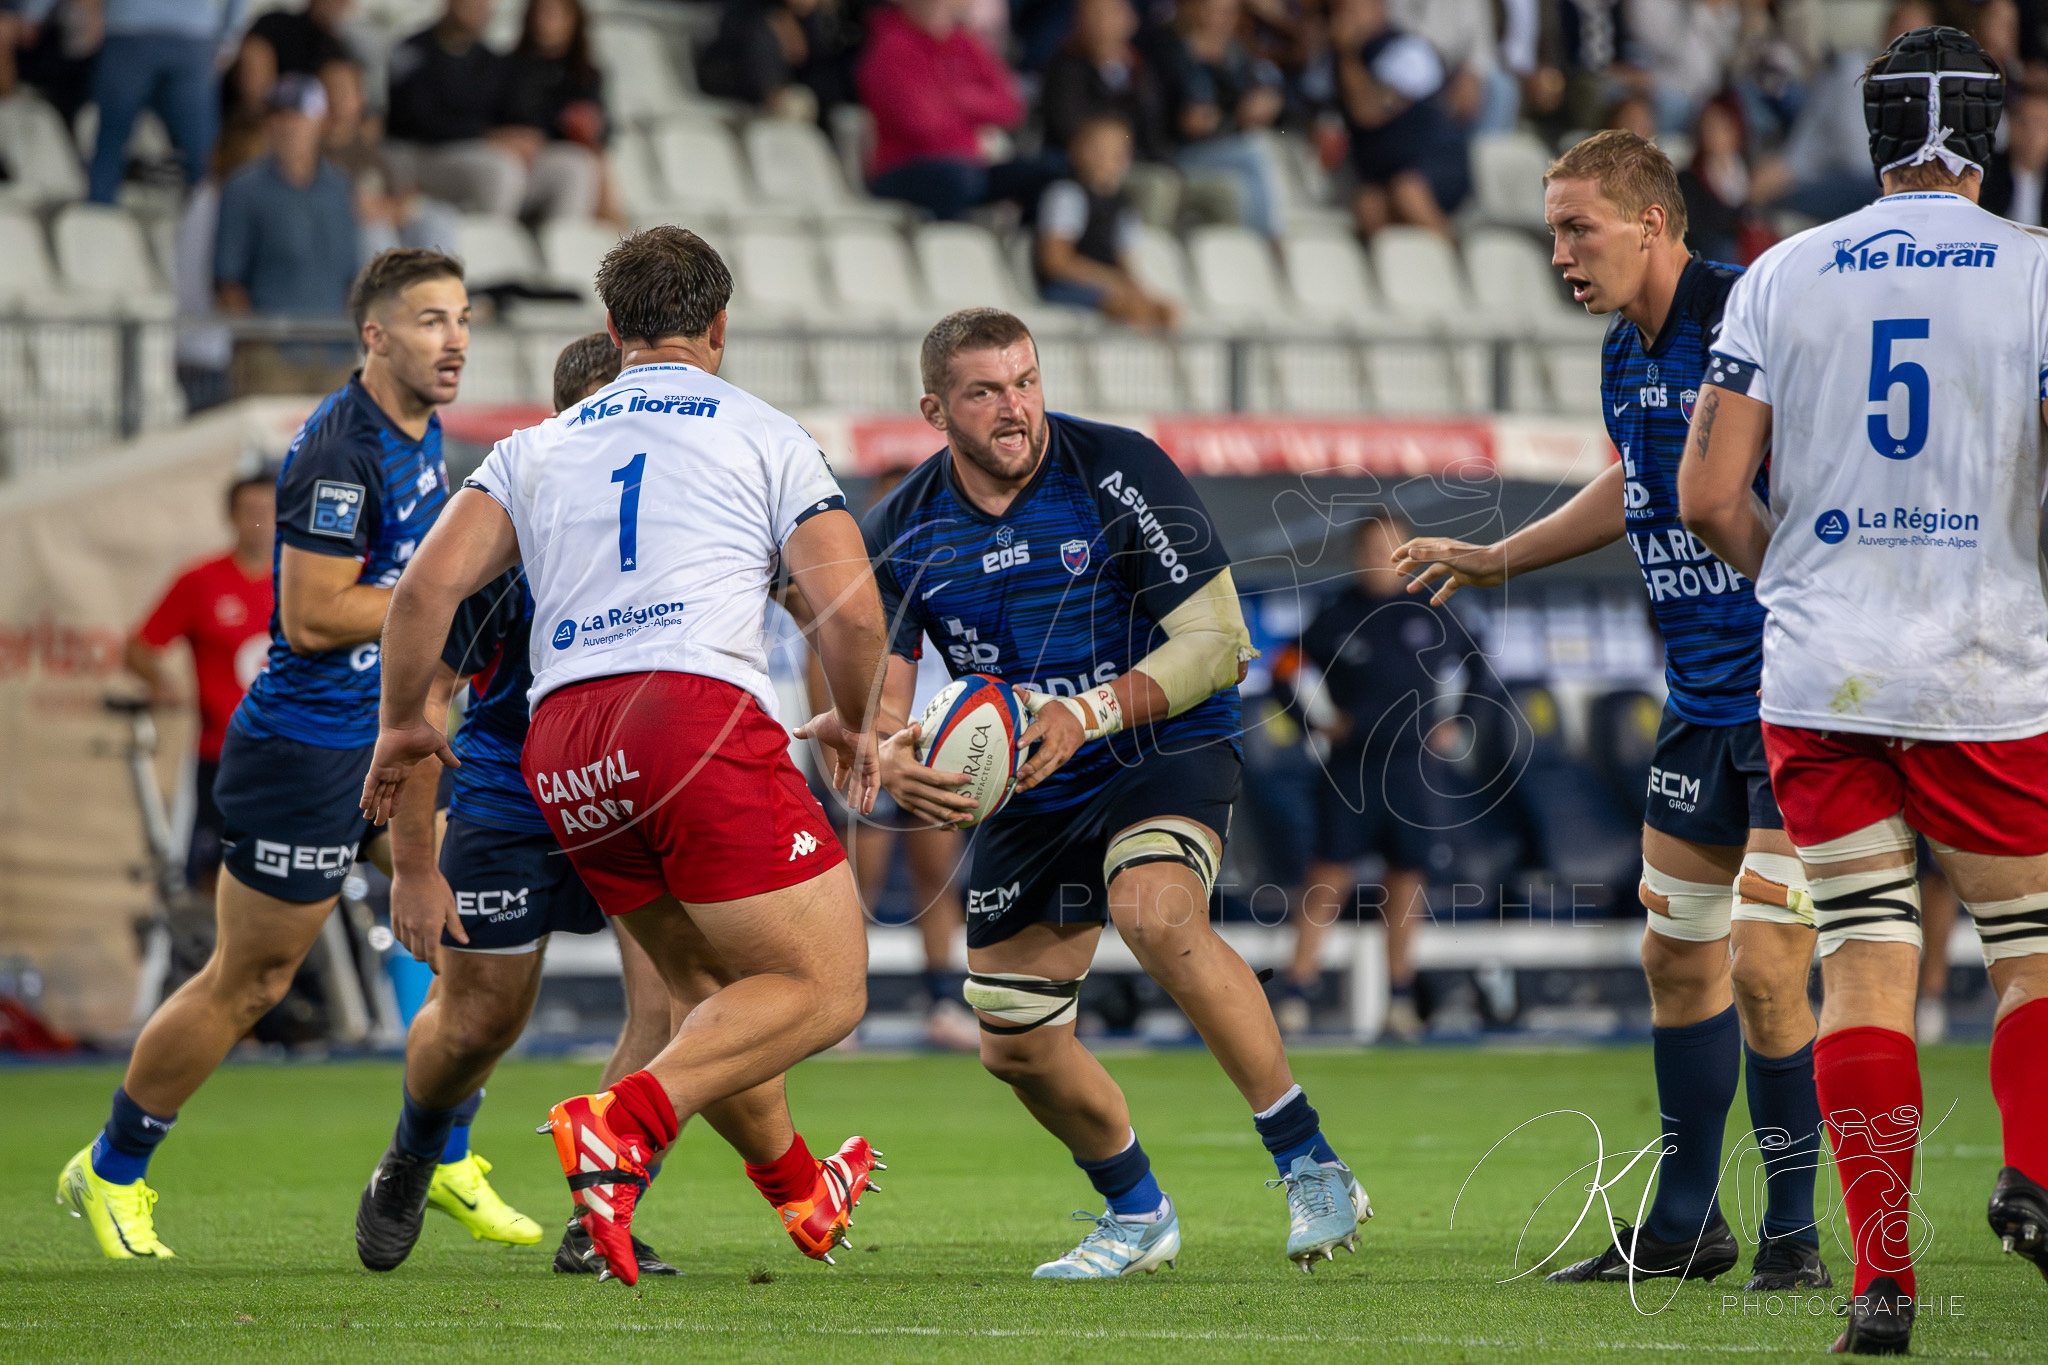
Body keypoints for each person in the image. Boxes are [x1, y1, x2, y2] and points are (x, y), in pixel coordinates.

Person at [359, 226, 886, 1286]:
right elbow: (850, 612)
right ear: (720, 329)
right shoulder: (764, 432)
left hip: (562, 744)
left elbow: (420, 590)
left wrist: (401, 724)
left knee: (703, 994)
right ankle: (620, 1123)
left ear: (612, 328)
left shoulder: (535, 445)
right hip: (687, 717)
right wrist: (857, 716)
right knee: (825, 991)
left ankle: (797, 1192)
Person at [1396, 129, 1830, 1294]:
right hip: (1696, 704)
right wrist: (1504, 556)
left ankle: (1791, 1231)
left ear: (1650, 221)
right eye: (1550, 230)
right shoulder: (1619, 351)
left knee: (1765, 965)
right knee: (1674, 958)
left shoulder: (1751, 317)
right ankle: (1686, 1225)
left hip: (1794, 700)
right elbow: (1635, 476)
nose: (1558, 251)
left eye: (1576, 226)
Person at [1678, 26, 2048, 1352]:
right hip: (1985, 669)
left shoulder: (1780, 274)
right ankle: (2035, 1172)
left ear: (1877, 136)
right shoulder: (2036, 278)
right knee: (2031, 951)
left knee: (1865, 967)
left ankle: (1882, 1282)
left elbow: (1708, 495)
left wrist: (1813, 579)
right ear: (1993, 136)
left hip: (1819, 671)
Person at [864, 307, 1366, 1276]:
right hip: (1027, 786)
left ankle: (1307, 1162)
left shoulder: (1116, 467)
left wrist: (1087, 713)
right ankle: (1135, 1214)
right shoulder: (900, 526)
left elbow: (1218, 644)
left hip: (1152, 743)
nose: (1014, 408)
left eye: (1024, 380)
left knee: (1153, 908)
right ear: (934, 408)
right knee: (1012, 1041)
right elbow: (881, 701)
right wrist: (888, 755)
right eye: (984, 391)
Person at [57, 249, 470, 1261]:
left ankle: (441, 1156)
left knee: (465, 926)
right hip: (306, 747)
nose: (454, 338)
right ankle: (111, 1168)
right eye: (428, 320)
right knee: (250, 982)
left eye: (462, 317)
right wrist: (446, 607)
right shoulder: (339, 450)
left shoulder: (428, 432)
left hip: (388, 729)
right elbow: (317, 612)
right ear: (373, 335)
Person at [1290, 513, 1476, 1041]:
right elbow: (1284, 670)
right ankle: (1296, 995)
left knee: (1406, 878)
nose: (1379, 558)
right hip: (1351, 769)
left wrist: (1458, 722)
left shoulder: (1434, 607)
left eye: (1390, 549)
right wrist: (1320, 722)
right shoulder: (1335, 612)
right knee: (1328, 877)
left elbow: (1480, 667)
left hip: (1413, 770)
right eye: (1370, 548)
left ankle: (1399, 999)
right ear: (1356, 553)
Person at [125, 473, 276, 894]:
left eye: (270, 511)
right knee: (217, 873)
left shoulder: (304, 582)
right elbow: (137, 647)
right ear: (231, 517)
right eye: (251, 511)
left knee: (294, 870)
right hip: (222, 754)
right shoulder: (201, 581)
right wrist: (162, 680)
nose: (261, 521)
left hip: (295, 753)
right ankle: (218, 955)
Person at [384, 0, 594, 221]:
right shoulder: (414, 51)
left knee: (575, 166)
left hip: (481, 152)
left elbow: (514, 111)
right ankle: (489, 248)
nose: (478, 7)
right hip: (424, 154)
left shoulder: (489, 60)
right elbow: (417, 121)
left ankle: (561, 250)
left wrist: (528, 137)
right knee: (500, 171)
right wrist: (488, 136)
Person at [27, 0, 244, 202]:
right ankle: (217, 226)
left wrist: (33, 14)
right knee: (205, 156)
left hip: (130, 33)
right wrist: (229, 39)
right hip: (190, 38)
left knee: (109, 148)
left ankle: (94, 229)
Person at [857, 0, 1026, 221]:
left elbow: (1011, 107)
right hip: (906, 166)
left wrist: (958, 99)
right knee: (961, 181)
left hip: (967, 164)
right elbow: (921, 124)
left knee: (1043, 176)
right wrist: (970, 112)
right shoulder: (890, 46)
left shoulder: (965, 43)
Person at [214, 75, 359, 320]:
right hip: (269, 348)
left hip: (334, 347)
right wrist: (254, 344)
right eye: (277, 115)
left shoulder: (339, 187)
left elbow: (351, 275)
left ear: (321, 122)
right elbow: (229, 281)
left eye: (298, 115)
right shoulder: (243, 189)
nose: (286, 125)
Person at [1330, 0, 1469, 238]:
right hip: (1382, 172)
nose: (1347, 20)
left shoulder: (1409, 49)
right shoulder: (1339, 57)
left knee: (1408, 193)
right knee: (1368, 208)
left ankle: (1455, 261)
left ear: (1378, 8)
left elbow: (1369, 110)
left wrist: (1347, 53)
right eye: (1342, 11)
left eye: (1355, 9)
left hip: (1435, 162)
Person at [1153, 0, 1286, 237]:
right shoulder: (1169, 49)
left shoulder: (1236, 52)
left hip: (1224, 146)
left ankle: (1256, 243)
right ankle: (1267, 241)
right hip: (1178, 152)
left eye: (1225, 13)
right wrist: (1192, 121)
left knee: (1253, 165)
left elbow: (1262, 92)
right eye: (1209, 10)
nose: (1216, 19)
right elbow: (1177, 119)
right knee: (1255, 152)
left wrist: (1266, 102)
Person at [1034, 113, 1179, 328]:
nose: (1106, 158)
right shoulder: (1066, 194)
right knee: (1129, 308)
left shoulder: (1124, 205)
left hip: (1107, 284)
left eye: (1117, 151)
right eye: (1096, 149)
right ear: (1075, 150)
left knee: (1165, 311)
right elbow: (1055, 262)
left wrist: (1138, 291)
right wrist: (1110, 281)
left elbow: (1126, 263)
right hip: (1066, 286)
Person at [499, 0, 604, 219]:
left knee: (587, 164)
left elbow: (600, 129)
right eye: (542, 13)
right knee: (579, 167)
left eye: (557, 14)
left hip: (564, 154)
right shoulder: (508, 68)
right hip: (515, 157)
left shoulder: (586, 75)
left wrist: (588, 128)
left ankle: (571, 241)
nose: (548, 22)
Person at [696, 0, 854, 122]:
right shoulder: (750, 19)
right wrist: (777, 13)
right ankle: (777, 99)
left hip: (804, 94)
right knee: (762, 35)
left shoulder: (817, 24)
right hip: (730, 75)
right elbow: (731, 26)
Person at [226, 0, 354, 122]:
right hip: (240, 124)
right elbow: (253, 70)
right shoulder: (277, 24)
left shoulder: (338, 51)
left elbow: (343, 106)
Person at [1980, 81, 2048, 224]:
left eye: (2042, 125)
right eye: (2025, 123)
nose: (2032, 134)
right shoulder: (1986, 172)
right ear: (2010, 124)